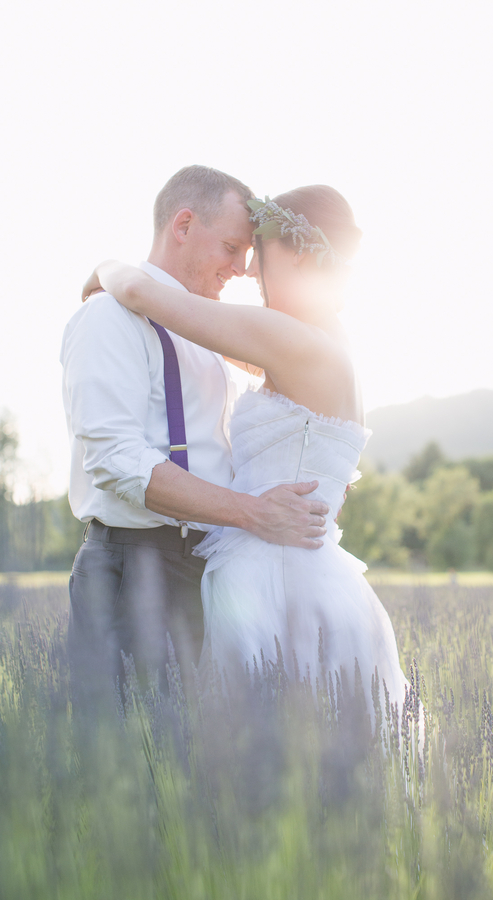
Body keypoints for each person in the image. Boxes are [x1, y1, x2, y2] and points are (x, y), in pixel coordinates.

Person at [82, 185, 411, 715]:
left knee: (251, 758)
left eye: (260, 250)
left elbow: (147, 297)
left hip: (273, 584)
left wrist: (102, 270)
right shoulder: (327, 345)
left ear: (300, 253)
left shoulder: (288, 339)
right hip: (320, 580)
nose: (250, 271)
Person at [61, 166, 329, 709]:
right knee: (130, 762)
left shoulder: (204, 329)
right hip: (134, 569)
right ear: (183, 225)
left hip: (204, 568)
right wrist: (253, 512)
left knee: (189, 764)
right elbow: (117, 460)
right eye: (231, 247)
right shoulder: (109, 318)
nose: (240, 268)